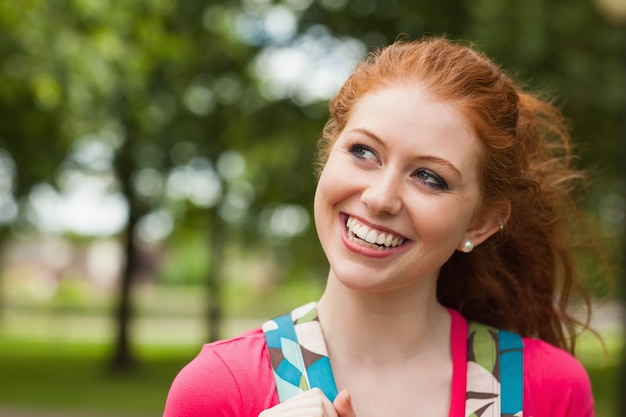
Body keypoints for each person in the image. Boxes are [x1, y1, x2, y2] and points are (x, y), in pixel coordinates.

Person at [163, 36, 599, 417]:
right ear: (329, 152)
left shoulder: (550, 389)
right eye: (364, 152)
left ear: (483, 221)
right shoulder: (220, 390)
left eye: (430, 177)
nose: (380, 197)